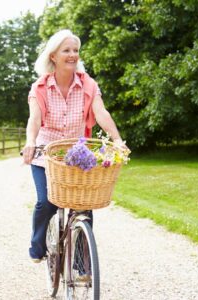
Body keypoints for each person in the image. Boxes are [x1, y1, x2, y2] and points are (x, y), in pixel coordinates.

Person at [22, 29, 128, 263]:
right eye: (66, 50)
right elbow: (34, 120)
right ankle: (38, 245)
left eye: (75, 51)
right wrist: (30, 142)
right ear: (53, 56)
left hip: (77, 155)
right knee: (46, 202)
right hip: (45, 154)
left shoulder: (88, 84)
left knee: (83, 207)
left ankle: (82, 264)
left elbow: (101, 113)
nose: (72, 55)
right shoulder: (39, 87)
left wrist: (117, 140)